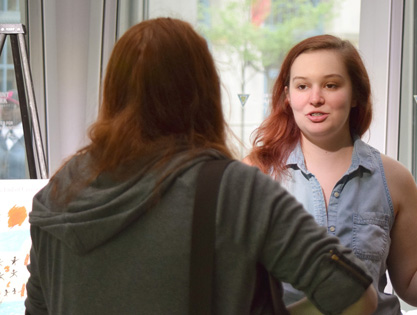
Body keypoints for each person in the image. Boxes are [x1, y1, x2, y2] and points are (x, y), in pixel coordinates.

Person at [24, 18, 377, 315]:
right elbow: (355, 295)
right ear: (203, 92)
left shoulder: (55, 196)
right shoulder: (237, 191)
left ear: (112, 92)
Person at [245, 34, 417, 313]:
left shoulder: (393, 178)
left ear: (356, 96)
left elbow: (413, 285)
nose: (315, 98)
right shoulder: (255, 174)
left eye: (331, 85)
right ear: (288, 97)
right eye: (302, 86)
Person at [0, 95, 29, 179]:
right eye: (4, 106)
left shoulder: (32, 138)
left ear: (22, 109)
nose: (6, 110)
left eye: (11, 106)